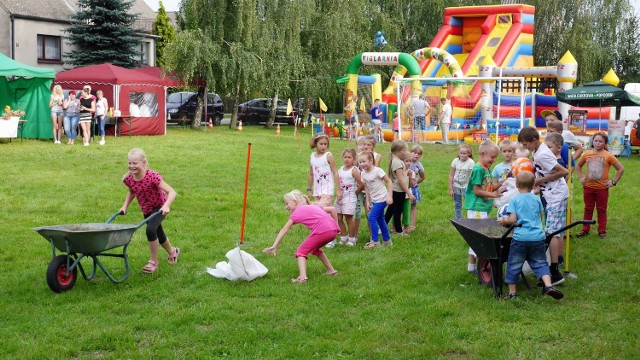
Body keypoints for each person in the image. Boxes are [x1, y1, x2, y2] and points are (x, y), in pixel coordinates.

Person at [498, 171, 564, 300]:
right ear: (534, 184)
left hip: (521, 238)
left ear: (516, 184)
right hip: (538, 237)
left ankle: (512, 293)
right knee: (540, 263)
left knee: (514, 264)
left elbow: (512, 220)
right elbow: (539, 217)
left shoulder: (515, 200)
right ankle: (548, 286)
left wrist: (504, 221)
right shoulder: (536, 199)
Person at [518, 126, 569, 285]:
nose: (525, 148)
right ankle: (555, 266)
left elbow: (564, 171)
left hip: (556, 196)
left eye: (526, 144)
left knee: (552, 232)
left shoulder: (542, 155)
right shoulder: (537, 151)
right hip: (551, 194)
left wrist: (539, 181)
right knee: (557, 231)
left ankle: (554, 272)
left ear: (534, 140)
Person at [120, 148, 179, 273]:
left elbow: (172, 192)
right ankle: (172, 252)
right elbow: (132, 191)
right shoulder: (129, 179)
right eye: (129, 163)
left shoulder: (152, 177)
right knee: (159, 234)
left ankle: (153, 262)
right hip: (146, 209)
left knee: (151, 230)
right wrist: (125, 206)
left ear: (144, 162)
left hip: (159, 206)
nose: (131, 166)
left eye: (135, 163)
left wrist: (166, 206)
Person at [263, 190, 339, 283]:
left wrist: (275, 246)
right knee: (315, 249)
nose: (286, 206)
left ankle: (302, 278)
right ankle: (331, 271)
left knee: (301, 251)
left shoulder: (297, 212)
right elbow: (332, 209)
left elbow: (284, 229)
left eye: (287, 203)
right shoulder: (313, 207)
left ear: (295, 202)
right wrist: (336, 225)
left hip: (322, 231)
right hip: (333, 231)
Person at [575, 132, 625, 239]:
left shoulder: (608, 156)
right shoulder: (586, 154)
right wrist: (580, 177)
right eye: (596, 140)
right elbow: (578, 166)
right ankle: (585, 229)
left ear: (605, 143)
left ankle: (602, 231)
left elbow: (620, 169)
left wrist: (613, 182)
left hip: (602, 189)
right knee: (588, 208)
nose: (597, 143)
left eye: (600, 141)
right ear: (592, 141)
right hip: (588, 187)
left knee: (601, 210)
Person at [464, 140, 502, 273]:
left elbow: (489, 187)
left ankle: (472, 267)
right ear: (482, 154)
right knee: (479, 238)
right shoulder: (478, 169)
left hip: (482, 208)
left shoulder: (486, 169)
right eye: (492, 156)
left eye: (495, 157)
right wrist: (494, 195)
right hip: (477, 208)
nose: (494, 159)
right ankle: (479, 267)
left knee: (477, 237)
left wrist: (503, 183)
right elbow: (477, 191)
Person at [359, 151, 393, 249]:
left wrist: (389, 196)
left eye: (363, 161)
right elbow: (366, 188)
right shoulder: (363, 174)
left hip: (382, 198)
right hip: (374, 200)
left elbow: (389, 181)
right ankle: (387, 240)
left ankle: (375, 241)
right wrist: (368, 201)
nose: (361, 164)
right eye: (360, 162)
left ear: (370, 161)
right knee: (380, 219)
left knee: (372, 218)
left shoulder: (378, 171)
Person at [384, 140, 416, 235]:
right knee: (397, 212)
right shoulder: (397, 162)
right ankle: (399, 231)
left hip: (398, 190)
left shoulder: (397, 161)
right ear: (398, 152)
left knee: (391, 210)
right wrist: (409, 193)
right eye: (404, 150)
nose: (406, 152)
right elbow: (400, 180)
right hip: (399, 191)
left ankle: (382, 226)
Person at [336, 148, 363, 247]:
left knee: (348, 218)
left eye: (349, 157)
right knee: (339, 217)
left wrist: (355, 193)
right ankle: (343, 237)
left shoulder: (354, 170)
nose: (347, 159)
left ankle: (352, 239)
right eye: (345, 157)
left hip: (349, 197)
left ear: (354, 159)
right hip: (340, 198)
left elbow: (361, 184)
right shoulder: (340, 169)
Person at [449, 144, 474, 219]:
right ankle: (458, 219)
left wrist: (470, 189)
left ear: (468, 154)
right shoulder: (455, 161)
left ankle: (471, 218)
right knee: (457, 204)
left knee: (469, 203)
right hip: (456, 186)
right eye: (461, 153)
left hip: (466, 186)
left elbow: (470, 177)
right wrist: (450, 189)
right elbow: (451, 175)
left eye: (464, 153)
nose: (462, 155)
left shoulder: (471, 162)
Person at [408, 145, 426, 232]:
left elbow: (422, 177)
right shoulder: (405, 161)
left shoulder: (419, 165)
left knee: (413, 206)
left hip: (413, 189)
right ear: (410, 152)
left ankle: (412, 225)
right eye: (414, 152)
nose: (416, 155)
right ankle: (400, 224)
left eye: (418, 154)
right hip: (404, 188)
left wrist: (416, 182)